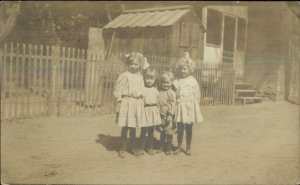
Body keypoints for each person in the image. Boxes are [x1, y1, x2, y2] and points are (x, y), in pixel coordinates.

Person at [113, 52, 149, 158]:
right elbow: (118, 89)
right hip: (127, 102)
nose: (134, 66)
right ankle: (122, 148)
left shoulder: (139, 76)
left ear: (140, 66)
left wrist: (142, 97)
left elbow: (142, 89)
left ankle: (133, 148)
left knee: (133, 127)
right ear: (127, 64)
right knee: (125, 127)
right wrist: (119, 101)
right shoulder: (124, 76)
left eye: (136, 64)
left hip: (137, 103)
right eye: (132, 64)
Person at [173, 52, 204, 156]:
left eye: (185, 69)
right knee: (180, 128)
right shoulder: (177, 80)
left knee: (189, 128)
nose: (183, 71)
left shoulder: (193, 81)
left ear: (190, 69)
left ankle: (188, 147)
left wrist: (194, 105)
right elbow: (173, 93)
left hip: (190, 107)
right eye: (181, 69)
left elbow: (197, 94)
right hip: (180, 106)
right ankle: (179, 146)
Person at [138, 67, 162, 155]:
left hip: (153, 111)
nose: (149, 81)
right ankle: (141, 147)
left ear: (155, 79)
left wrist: (158, 113)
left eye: (151, 78)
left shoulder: (156, 90)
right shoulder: (142, 89)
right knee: (143, 130)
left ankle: (150, 147)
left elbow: (158, 103)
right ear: (144, 78)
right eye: (147, 78)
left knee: (151, 131)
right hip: (145, 111)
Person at [156, 71, 177, 155]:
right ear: (160, 83)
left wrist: (171, 115)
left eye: (167, 83)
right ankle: (161, 147)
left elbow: (173, 104)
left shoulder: (172, 93)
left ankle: (168, 148)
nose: (165, 85)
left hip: (168, 116)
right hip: (161, 114)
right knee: (162, 132)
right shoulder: (159, 91)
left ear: (171, 83)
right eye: (163, 83)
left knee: (169, 132)